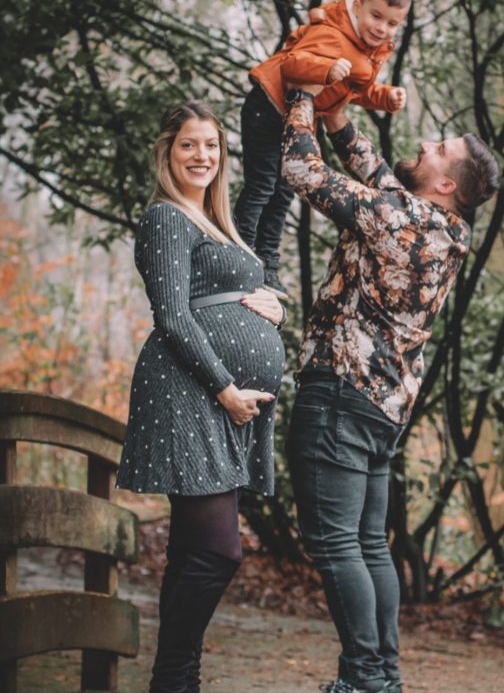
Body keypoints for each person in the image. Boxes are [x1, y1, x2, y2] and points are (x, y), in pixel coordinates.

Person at [280, 86, 500, 693]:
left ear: (447, 183)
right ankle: (383, 678)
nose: (426, 143)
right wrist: (336, 116)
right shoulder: (442, 226)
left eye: (439, 148)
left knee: (333, 542)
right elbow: (375, 171)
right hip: (383, 406)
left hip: (341, 392)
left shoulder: (400, 217)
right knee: (369, 544)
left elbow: (301, 169)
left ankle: (361, 681)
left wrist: (300, 93)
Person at [115, 101, 287, 692]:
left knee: (193, 550)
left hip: (221, 397)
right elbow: (172, 316)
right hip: (189, 391)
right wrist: (225, 388)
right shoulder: (166, 218)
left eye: (211, 146)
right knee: (218, 553)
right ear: (168, 151)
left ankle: (178, 680)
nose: (202, 156)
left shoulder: (216, 222)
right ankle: (172, 677)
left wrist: (277, 304)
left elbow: (256, 281)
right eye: (189, 144)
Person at [233, 0, 411, 299]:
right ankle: (239, 254)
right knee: (262, 185)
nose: (381, 28)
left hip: (295, 119)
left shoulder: (368, 50)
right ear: (357, 7)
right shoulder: (333, 35)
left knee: (284, 192)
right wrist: (325, 70)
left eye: (392, 23)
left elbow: (356, 89)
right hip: (270, 106)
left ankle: (266, 264)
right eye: (376, 16)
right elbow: (293, 65)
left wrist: (385, 98)